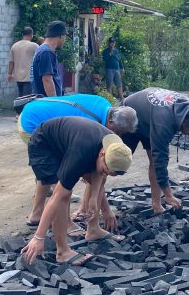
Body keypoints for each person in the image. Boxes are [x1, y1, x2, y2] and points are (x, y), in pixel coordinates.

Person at [19, 116, 133, 267]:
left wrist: (93, 198)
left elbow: (100, 174)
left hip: (68, 142)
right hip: (43, 145)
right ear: (102, 154)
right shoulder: (82, 152)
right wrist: (39, 237)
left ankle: (93, 230)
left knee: (100, 177)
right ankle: (62, 251)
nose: (106, 173)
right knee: (64, 195)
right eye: (106, 169)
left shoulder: (116, 147)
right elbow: (56, 197)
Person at [17, 94, 138, 227]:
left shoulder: (104, 106)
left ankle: (37, 214)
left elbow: (96, 174)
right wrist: (105, 209)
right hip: (32, 123)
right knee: (61, 181)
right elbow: (87, 172)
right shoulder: (90, 131)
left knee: (48, 171)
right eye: (119, 132)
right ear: (111, 123)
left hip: (37, 112)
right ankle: (66, 223)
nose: (118, 136)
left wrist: (92, 201)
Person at [120, 87, 189, 214]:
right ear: (186, 123)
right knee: (115, 163)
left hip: (148, 119)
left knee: (153, 161)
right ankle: (89, 207)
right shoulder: (164, 123)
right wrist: (169, 195)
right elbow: (160, 160)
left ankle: (156, 204)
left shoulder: (187, 108)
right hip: (128, 114)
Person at [29, 21, 67, 97]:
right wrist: (55, 102)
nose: (64, 40)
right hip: (47, 101)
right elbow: (47, 80)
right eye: (65, 37)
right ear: (60, 36)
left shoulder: (42, 49)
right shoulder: (47, 52)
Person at [8, 26, 38, 97]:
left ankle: (21, 108)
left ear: (23, 35)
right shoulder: (34, 46)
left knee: (21, 97)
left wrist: (9, 74)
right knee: (27, 99)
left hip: (18, 77)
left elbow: (11, 62)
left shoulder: (14, 46)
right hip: (29, 78)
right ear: (31, 35)